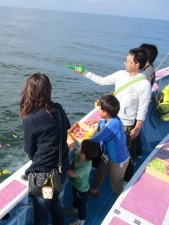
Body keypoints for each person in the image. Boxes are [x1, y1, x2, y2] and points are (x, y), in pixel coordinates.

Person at [73, 48, 151, 182]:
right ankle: (97, 166)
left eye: (128, 61)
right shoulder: (121, 74)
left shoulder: (144, 84)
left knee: (125, 152)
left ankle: (127, 179)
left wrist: (137, 127)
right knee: (102, 144)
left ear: (137, 64)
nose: (125, 63)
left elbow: (143, 109)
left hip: (126, 125)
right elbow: (102, 81)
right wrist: (84, 72)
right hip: (110, 119)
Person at [19, 72, 71, 225]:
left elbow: (29, 150)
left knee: (41, 215)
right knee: (55, 203)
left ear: (30, 92)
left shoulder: (30, 119)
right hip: (62, 167)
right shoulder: (58, 109)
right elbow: (66, 128)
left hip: (45, 176)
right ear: (49, 90)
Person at [88, 94, 129, 196]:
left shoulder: (113, 125)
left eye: (100, 109)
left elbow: (97, 139)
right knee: (100, 173)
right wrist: (97, 121)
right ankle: (94, 189)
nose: (98, 111)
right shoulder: (113, 118)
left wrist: (82, 140)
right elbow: (105, 122)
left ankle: (118, 196)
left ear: (105, 113)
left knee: (116, 182)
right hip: (107, 156)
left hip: (117, 161)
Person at [67, 139, 100, 225]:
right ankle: (75, 209)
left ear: (83, 154)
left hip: (82, 189)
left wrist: (64, 168)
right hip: (76, 184)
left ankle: (80, 221)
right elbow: (74, 148)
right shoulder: (81, 155)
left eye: (80, 147)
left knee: (82, 206)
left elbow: (74, 174)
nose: (78, 147)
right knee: (75, 198)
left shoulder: (86, 166)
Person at [134, 44, 158, 159]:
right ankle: (138, 152)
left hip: (137, 107)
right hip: (138, 105)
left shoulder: (147, 73)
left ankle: (135, 153)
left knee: (134, 132)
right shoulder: (148, 69)